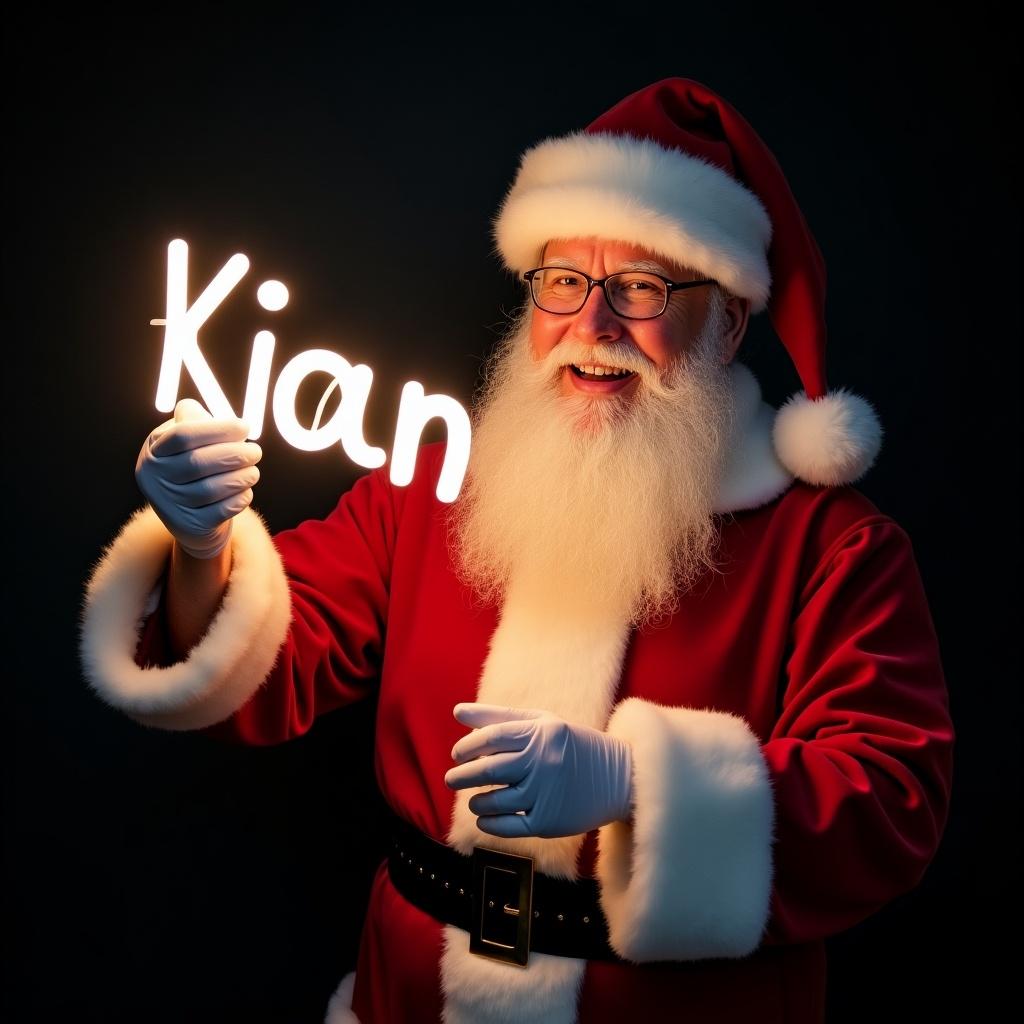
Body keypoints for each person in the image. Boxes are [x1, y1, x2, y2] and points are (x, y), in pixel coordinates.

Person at [79, 78, 955, 1023]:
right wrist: (203, 547)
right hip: (414, 994)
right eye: (564, 280)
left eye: (644, 287)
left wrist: (636, 783)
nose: (594, 323)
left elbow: (893, 797)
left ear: (730, 319)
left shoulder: (830, 546)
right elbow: (268, 668)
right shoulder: (431, 486)